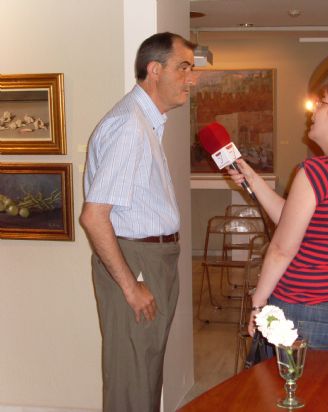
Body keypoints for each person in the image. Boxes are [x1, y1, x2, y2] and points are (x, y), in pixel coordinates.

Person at [80, 32, 198, 411]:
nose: (190, 79)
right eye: (183, 68)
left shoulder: (146, 122)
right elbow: (94, 216)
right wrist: (131, 287)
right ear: (154, 69)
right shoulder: (130, 125)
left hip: (149, 260)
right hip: (136, 262)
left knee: (144, 372)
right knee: (132, 381)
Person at [229, 79, 328, 351]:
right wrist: (252, 179)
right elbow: (293, 220)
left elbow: (280, 249)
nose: (313, 110)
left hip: (304, 309)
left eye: (321, 102)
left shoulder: (317, 171)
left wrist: (259, 303)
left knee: (286, 389)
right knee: (320, 389)